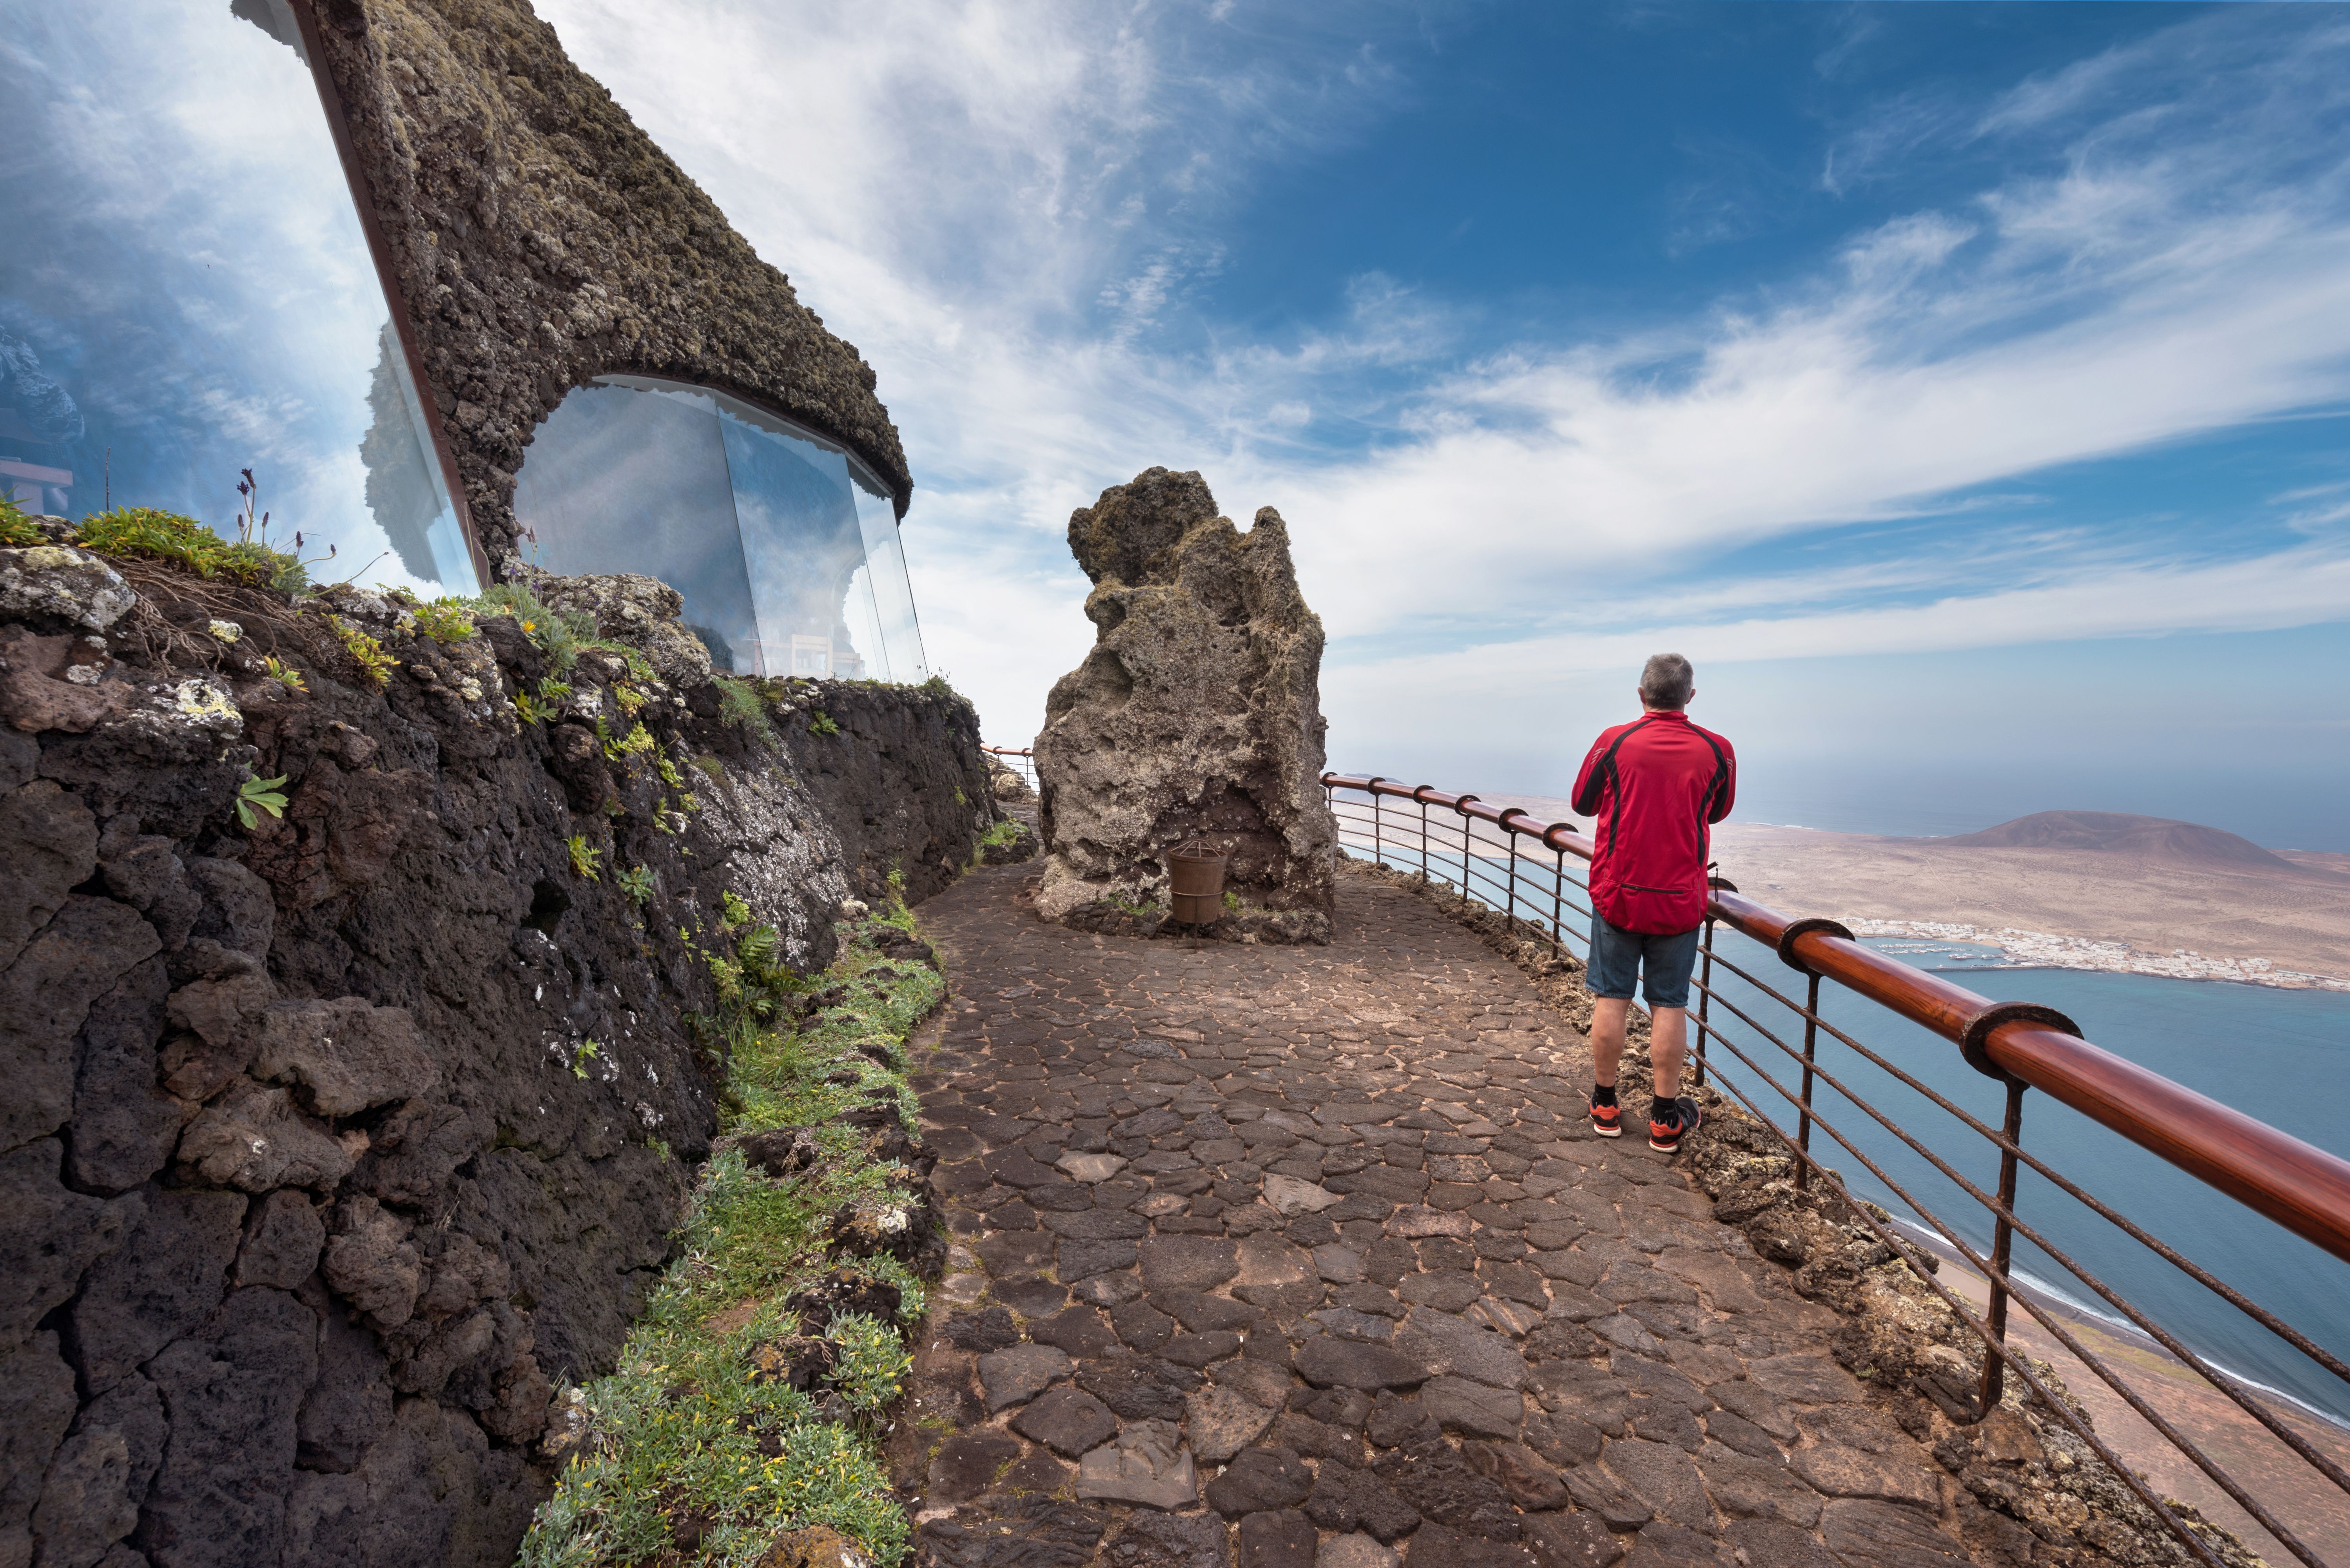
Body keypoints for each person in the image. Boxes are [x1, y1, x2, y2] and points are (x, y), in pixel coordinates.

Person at [1570, 653, 1736, 1152]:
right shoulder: (1716, 748)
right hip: (1679, 899)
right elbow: (1720, 810)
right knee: (1669, 1002)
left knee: (1611, 997)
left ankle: (1604, 1104)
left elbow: (1583, 802)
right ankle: (1665, 1118)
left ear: (1641, 694)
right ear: (1689, 696)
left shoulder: (1614, 740)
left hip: (1618, 892)